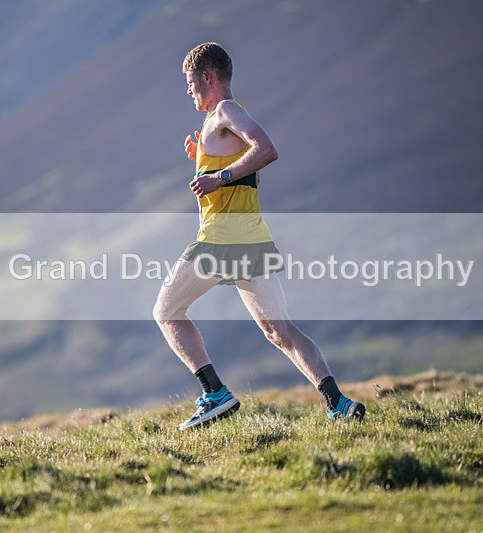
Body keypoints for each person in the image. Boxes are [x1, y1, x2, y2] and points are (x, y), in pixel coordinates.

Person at [153, 42, 365, 430]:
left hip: (222, 238)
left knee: (166, 312)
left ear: (207, 77)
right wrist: (204, 159)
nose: (188, 91)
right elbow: (250, 167)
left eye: (190, 83)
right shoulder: (225, 121)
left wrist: (218, 177)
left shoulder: (226, 111)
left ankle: (214, 393)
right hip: (251, 239)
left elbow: (266, 149)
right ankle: (338, 403)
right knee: (279, 330)